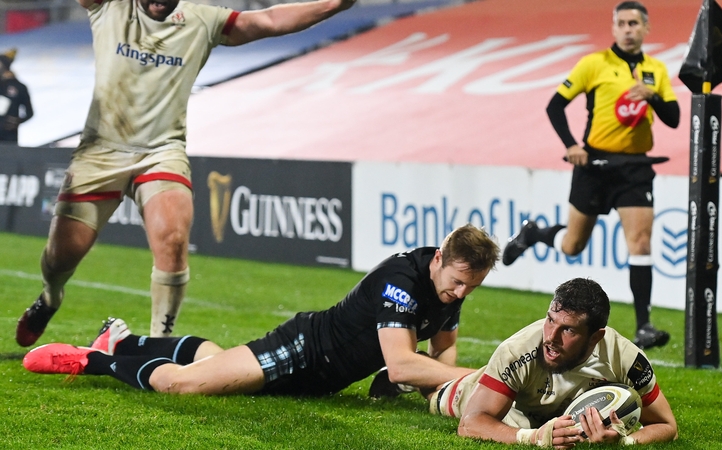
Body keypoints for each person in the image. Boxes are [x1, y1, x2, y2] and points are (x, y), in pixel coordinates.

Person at [15, 0, 357, 347]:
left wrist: (334, 4)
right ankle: (50, 297)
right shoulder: (110, 7)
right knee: (61, 258)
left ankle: (159, 344)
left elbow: (269, 19)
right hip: (100, 152)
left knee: (173, 240)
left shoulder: (203, 20)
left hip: (161, 152)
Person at [23, 224, 499, 398]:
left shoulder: (446, 292)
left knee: (216, 359)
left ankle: (123, 341)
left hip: (319, 378)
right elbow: (401, 362)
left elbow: (443, 354)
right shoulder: (404, 279)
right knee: (184, 385)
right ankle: (95, 359)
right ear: (439, 258)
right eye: (457, 281)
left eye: (470, 288)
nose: (460, 294)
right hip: (303, 350)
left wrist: (436, 384)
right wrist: (484, 380)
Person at [502, 1, 680, 350]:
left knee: (640, 243)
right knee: (572, 245)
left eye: (635, 23)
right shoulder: (593, 64)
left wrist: (654, 96)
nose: (628, 29)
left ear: (646, 29)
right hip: (594, 166)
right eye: (622, 23)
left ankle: (644, 324)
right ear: (613, 29)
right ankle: (534, 234)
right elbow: (555, 105)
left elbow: (673, 117)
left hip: (634, 168)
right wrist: (572, 144)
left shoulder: (656, 70)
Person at [427, 277, 678, 447]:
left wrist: (623, 441)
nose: (551, 338)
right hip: (465, 393)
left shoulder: (625, 359)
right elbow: (470, 424)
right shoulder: (518, 350)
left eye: (568, 330)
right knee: (434, 393)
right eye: (550, 320)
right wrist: (535, 437)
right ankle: (413, 377)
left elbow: (667, 426)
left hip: (533, 406)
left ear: (595, 337)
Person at [0, 48, 34, 144]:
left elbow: (29, 112)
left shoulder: (19, 87)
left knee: (9, 157)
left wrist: (18, 121)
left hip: (9, 137)